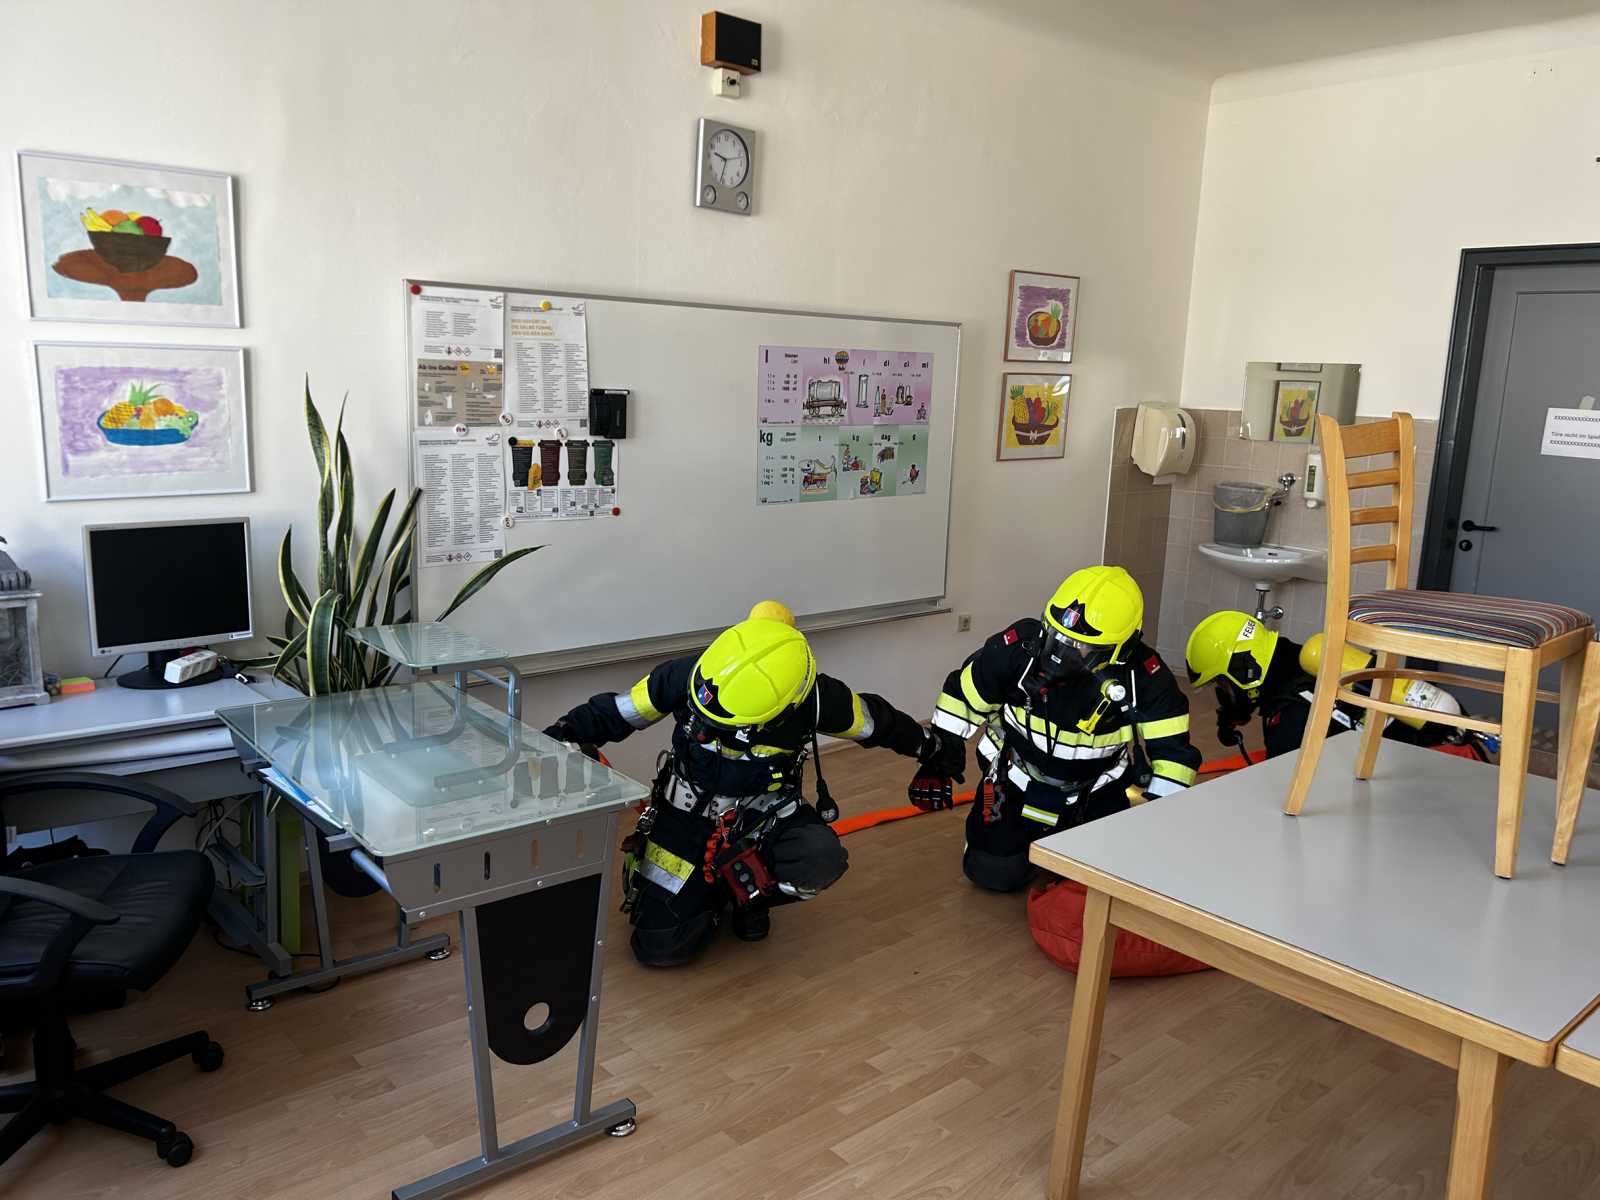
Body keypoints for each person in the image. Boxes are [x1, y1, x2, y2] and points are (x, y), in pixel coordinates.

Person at [542, 601, 960, 967]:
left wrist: (934, 751)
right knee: (661, 948)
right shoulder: (686, 675)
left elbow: (878, 724)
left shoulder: (816, 699)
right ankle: (708, 892)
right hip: (684, 817)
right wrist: (560, 736)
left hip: (762, 819)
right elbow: (616, 713)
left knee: (819, 859)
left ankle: (749, 898)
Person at [911, 565, 1201, 892]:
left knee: (1101, 884)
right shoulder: (1017, 648)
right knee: (992, 872)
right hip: (1015, 779)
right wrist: (937, 761)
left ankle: (1074, 846)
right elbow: (961, 699)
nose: (1061, 652)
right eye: (1057, 635)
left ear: (1121, 649)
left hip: (1096, 791)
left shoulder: (1146, 678)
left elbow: (1174, 758)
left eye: (1080, 646)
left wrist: (1156, 826)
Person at [1184, 610, 1471, 759]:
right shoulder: (1307, 665)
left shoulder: (1288, 717)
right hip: (1451, 740)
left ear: (1244, 671)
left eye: (1221, 685)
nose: (1222, 695)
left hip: (1428, 771)